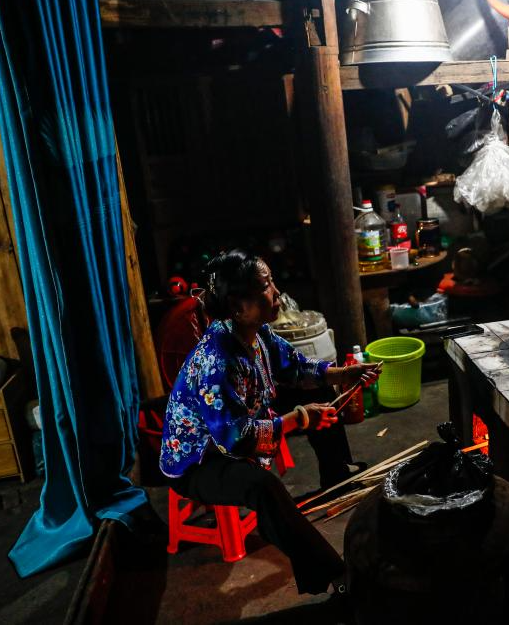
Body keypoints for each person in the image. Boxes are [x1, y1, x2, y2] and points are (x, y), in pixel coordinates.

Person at [159, 249, 380, 595]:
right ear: (237, 306)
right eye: (265, 286)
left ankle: (336, 479)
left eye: (272, 281)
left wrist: (344, 374)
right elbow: (237, 440)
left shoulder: (257, 334)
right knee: (263, 486)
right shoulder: (216, 363)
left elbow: (297, 367)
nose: (276, 292)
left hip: (241, 426)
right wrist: (300, 419)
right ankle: (336, 576)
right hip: (200, 461)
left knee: (319, 394)